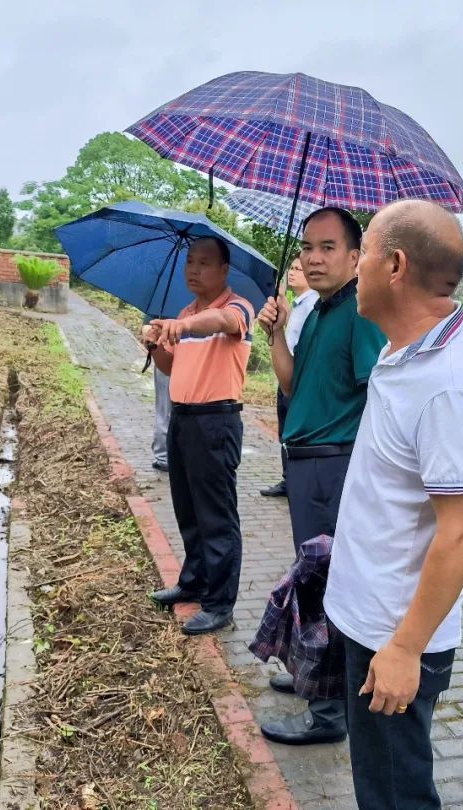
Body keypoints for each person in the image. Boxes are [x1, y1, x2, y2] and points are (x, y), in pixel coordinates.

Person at [324, 200, 463, 808]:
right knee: (378, 782)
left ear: (394, 265)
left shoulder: (450, 384)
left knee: (397, 794)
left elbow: (459, 533)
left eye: (365, 251)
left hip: (395, 634)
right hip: (369, 615)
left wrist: (405, 648)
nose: (355, 267)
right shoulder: (406, 349)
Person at [256, 207, 386, 746]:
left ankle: (329, 714)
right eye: (308, 246)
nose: (313, 256)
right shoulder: (322, 313)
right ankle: (315, 679)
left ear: (356, 257)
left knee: (326, 584)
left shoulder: (359, 313)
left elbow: (378, 390)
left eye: (328, 247)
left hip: (334, 464)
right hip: (306, 460)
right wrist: (279, 333)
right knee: (314, 581)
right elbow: (293, 388)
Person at [143, 237, 255, 636]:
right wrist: (156, 344)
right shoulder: (186, 311)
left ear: (224, 270)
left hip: (216, 422)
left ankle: (219, 603)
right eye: (190, 262)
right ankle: (193, 582)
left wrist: (183, 326)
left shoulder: (237, 308)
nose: (194, 270)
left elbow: (224, 325)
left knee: (217, 517)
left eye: (204, 263)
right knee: (188, 509)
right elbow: (172, 368)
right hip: (184, 420)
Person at [260, 258, 316, 497]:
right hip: (286, 377)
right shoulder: (300, 304)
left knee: (291, 434)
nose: (292, 273)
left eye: (298, 269)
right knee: (284, 432)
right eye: (291, 269)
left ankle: (292, 481)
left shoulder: (313, 305)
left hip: (297, 380)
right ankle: (288, 479)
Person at [141, 313, 172, 472]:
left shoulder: (166, 298)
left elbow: (146, 327)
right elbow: (147, 328)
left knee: (165, 409)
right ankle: (164, 456)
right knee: (166, 409)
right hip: (166, 358)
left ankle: (163, 456)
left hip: (181, 360)